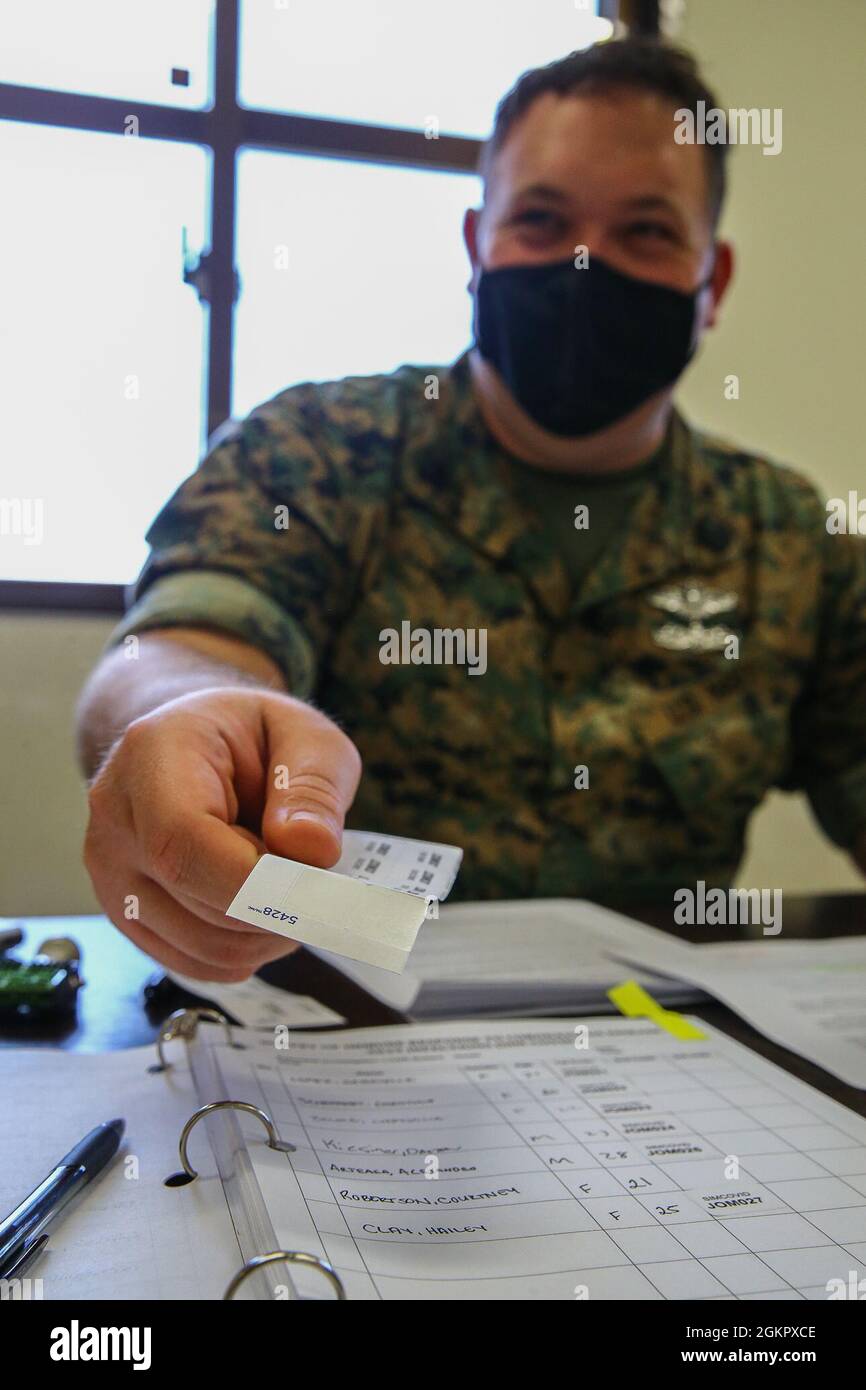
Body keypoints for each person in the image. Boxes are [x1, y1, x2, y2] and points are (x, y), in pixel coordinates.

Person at [76, 38, 866, 982]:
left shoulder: (785, 536)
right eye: (541, 219)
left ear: (714, 283)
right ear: (474, 245)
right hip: (328, 1033)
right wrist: (186, 720)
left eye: (647, 232)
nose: (584, 265)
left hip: (659, 1053)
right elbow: (187, 640)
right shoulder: (319, 450)